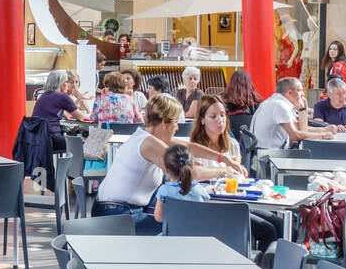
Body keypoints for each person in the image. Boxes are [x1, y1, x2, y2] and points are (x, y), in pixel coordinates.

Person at [93, 94, 242, 233]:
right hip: (117, 217)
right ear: (164, 123)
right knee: (186, 226)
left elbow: (189, 147)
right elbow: (191, 174)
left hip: (115, 211)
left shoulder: (147, 136)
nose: (177, 128)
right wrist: (223, 170)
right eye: (176, 122)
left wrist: (223, 158)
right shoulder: (150, 144)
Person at [189, 94, 282, 252]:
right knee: (268, 230)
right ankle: (259, 268)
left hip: (235, 201)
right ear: (202, 119)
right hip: (211, 206)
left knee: (279, 223)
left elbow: (237, 176)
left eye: (223, 115)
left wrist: (239, 174)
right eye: (213, 116)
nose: (220, 120)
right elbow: (195, 174)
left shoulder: (231, 144)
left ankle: (271, 268)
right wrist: (223, 170)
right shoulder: (195, 147)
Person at [251, 76, 338, 151]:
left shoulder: (277, 101)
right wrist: (323, 135)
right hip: (269, 155)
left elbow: (299, 127)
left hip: (268, 152)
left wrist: (325, 129)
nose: (303, 94)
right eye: (300, 90)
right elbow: (295, 135)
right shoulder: (280, 105)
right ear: (289, 93)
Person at [32, 70, 90, 154]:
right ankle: (75, 167)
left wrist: (78, 99)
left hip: (39, 137)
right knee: (83, 143)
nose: (68, 85)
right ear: (61, 83)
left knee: (79, 140)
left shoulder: (44, 95)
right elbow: (81, 117)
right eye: (66, 82)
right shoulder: (61, 96)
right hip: (52, 137)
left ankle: (64, 165)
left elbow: (67, 115)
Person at [151, 145, 211, 226]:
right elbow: (205, 216)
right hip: (196, 236)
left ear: (166, 170)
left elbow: (159, 218)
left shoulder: (164, 190)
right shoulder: (200, 189)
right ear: (192, 167)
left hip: (172, 236)